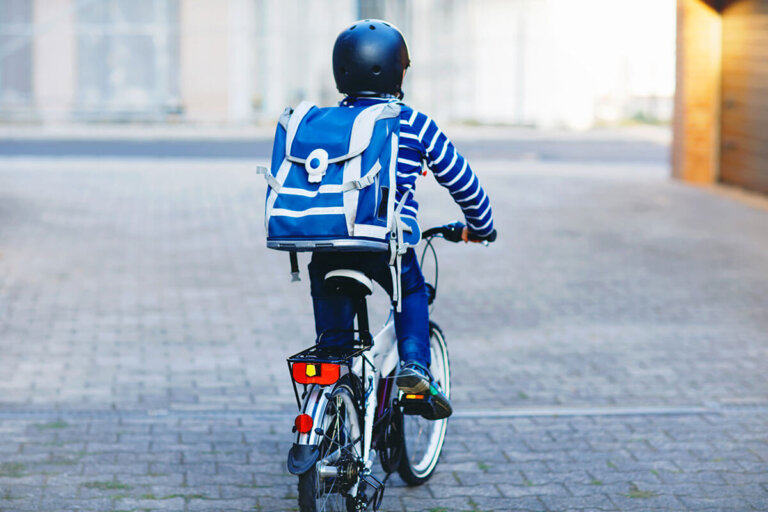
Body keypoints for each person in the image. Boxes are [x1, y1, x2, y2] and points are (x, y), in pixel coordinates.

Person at [308, 19, 496, 420]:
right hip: (385, 245)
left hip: (324, 243)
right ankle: (414, 367)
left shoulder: (321, 123)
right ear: (398, 71)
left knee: (334, 350)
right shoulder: (413, 123)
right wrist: (481, 225)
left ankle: (332, 397)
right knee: (411, 290)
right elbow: (462, 181)